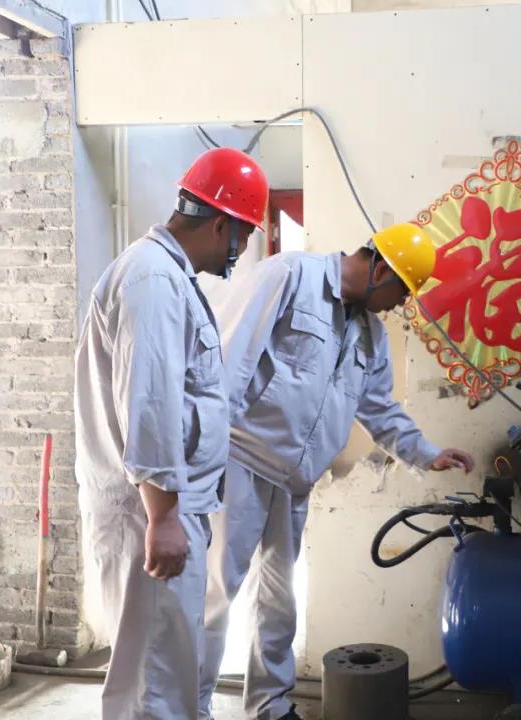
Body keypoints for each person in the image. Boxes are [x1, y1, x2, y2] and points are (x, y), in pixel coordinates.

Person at [199, 223, 476, 720]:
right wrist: (205, 455)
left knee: (279, 600)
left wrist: (425, 453)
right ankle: (189, 705)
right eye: (402, 293)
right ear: (381, 270)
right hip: (241, 462)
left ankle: (269, 705)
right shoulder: (290, 275)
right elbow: (232, 359)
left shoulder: (369, 334)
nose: (399, 306)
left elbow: (378, 408)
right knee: (215, 592)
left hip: (294, 481)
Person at [75, 147, 268, 719]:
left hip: (163, 508)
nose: (242, 249)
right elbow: (150, 400)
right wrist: (163, 516)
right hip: (149, 514)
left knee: (167, 669)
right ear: (221, 225)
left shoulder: (164, 274)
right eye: (244, 234)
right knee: (152, 684)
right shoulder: (154, 280)